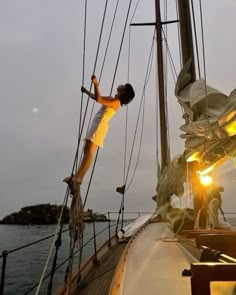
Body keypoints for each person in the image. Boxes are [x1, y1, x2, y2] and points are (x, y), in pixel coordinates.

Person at [64, 74, 135, 196]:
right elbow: (97, 97)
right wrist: (87, 92)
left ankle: (78, 178)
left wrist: (96, 84)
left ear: (124, 92)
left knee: (89, 151)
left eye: (124, 86)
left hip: (99, 125)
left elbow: (99, 99)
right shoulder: (113, 99)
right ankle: (77, 177)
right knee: (87, 150)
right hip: (97, 123)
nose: (121, 85)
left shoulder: (116, 101)